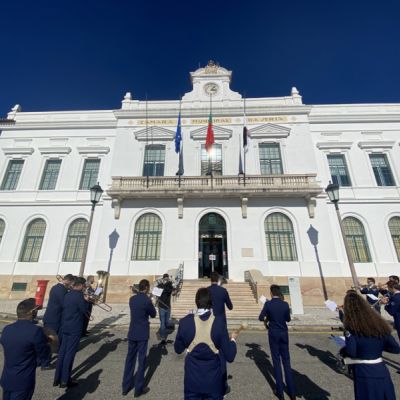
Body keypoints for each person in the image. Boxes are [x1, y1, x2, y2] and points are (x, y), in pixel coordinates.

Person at [174, 288, 238, 400]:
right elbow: (230, 356)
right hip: (213, 382)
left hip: (192, 381)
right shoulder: (219, 323)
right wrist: (232, 340)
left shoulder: (185, 322)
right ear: (211, 302)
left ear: (196, 301)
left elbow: (178, 349)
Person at [340, 290, 400, 400]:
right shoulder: (379, 326)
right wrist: (376, 347)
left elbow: (351, 352)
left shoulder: (352, 329)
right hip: (381, 370)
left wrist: (343, 350)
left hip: (364, 373)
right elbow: (395, 348)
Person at [0, 298, 50, 400]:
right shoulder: (35, 331)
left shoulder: (6, 329)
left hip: (7, 379)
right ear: (31, 312)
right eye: (36, 310)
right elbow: (43, 354)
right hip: (23, 381)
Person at [258, 285, 295, 400]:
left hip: (273, 333)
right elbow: (288, 319)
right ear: (279, 293)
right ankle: (292, 392)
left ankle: (280, 392)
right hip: (284, 334)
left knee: (276, 362)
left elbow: (260, 317)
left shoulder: (268, 304)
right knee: (286, 361)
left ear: (271, 293)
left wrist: (268, 316)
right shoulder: (285, 304)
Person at [122, 279, 156, 398]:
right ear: (146, 288)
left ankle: (125, 387)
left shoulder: (132, 299)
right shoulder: (147, 300)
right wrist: (151, 302)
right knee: (141, 361)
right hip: (142, 333)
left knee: (129, 359)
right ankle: (138, 389)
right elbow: (153, 314)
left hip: (132, 332)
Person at [54, 277, 89, 388]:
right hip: (74, 328)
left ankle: (57, 378)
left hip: (65, 326)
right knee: (70, 353)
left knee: (62, 352)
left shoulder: (67, 294)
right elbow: (84, 311)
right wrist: (86, 301)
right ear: (81, 286)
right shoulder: (79, 296)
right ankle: (65, 380)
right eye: (84, 286)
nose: (84, 288)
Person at [207, 271, 233, 393]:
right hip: (221, 326)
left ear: (210, 279)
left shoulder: (206, 291)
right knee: (222, 355)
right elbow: (230, 306)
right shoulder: (223, 291)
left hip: (208, 325)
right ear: (218, 279)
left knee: (209, 353)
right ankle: (223, 385)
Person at [156, 273, 175, 344]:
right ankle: (163, 338)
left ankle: (163, 334)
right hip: (161, 307)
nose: (166, 280)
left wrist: (171, 283)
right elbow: (156, 293)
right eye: (165, 279)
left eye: (167, 279)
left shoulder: (169, 286)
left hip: (168, 307)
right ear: (163, 279)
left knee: (166, 322)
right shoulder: (160, 285)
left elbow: (173, 292)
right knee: (163, 323)